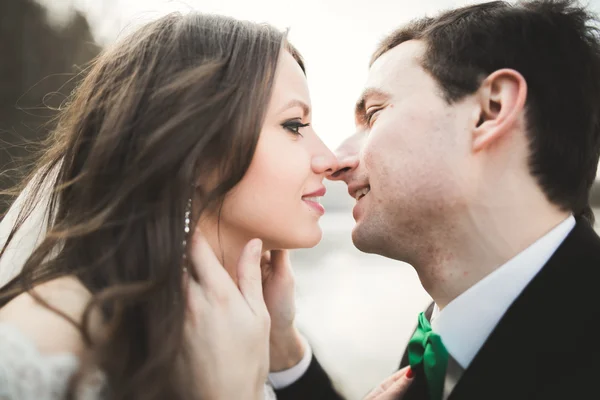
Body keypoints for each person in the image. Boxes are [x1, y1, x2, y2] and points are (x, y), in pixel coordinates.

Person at [261, 1, 600, 399]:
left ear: (490, 111)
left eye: (373, 114)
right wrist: (282, 347)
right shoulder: (449, 327)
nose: (335, 161)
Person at [0, 11, 339, 399]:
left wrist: (282, 344)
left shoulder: (234, 324)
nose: (328, 158)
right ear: (196, 151)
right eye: (294, 125)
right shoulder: (40, 344)